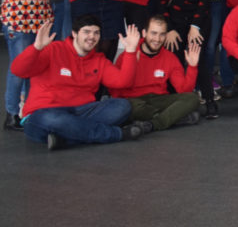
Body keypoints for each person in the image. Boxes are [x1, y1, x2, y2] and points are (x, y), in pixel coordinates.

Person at [12, 18, 148, 149]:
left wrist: (130, 51)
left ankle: (66, 139)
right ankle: (117, 134)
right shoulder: (53, 49)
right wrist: (36, 47)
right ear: (74, 33)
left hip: (82, 111)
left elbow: (123, 82)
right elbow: (18, 70)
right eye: (86, 32)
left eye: (96, 33)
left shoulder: (99, 60)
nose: (92, 37)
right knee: (52, 119)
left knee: (122, 106)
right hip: (46, 112)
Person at [1, 0, 66, 129]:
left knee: (36, 70)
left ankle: (29, 112)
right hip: (18, 22)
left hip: (41, 23)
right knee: (19, 68)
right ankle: (12, 114)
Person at [151, 0, 214, 117]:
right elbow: (159, 1)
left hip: (198, 21)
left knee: (199, 61)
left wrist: (195, 27)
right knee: (174, 63)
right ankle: (177, 104)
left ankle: (209, 101)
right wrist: (169, 29)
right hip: (173, 24)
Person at [109, 15, 202, 131]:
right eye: (153, 33)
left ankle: (153, 123)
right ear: (144, 33)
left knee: (192, 98)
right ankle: (172, 118)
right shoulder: (129, 54)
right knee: (127, 107)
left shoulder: (170, 58)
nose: (157, 39)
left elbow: (183, 90)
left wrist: (192, 67)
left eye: (162, 34)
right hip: (134, 101)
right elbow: (115, 91)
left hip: (159, 99)